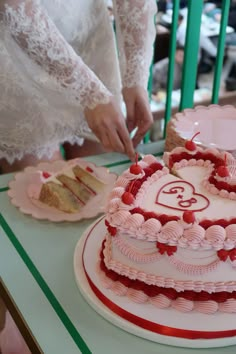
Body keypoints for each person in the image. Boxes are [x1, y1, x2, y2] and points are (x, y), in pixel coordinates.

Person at [0, 0, 157, 173]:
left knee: (111, 181)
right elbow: (15, 8)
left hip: (90, 43)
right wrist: (89, 93)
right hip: (18, 55)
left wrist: (135, 77)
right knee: (48, 192)